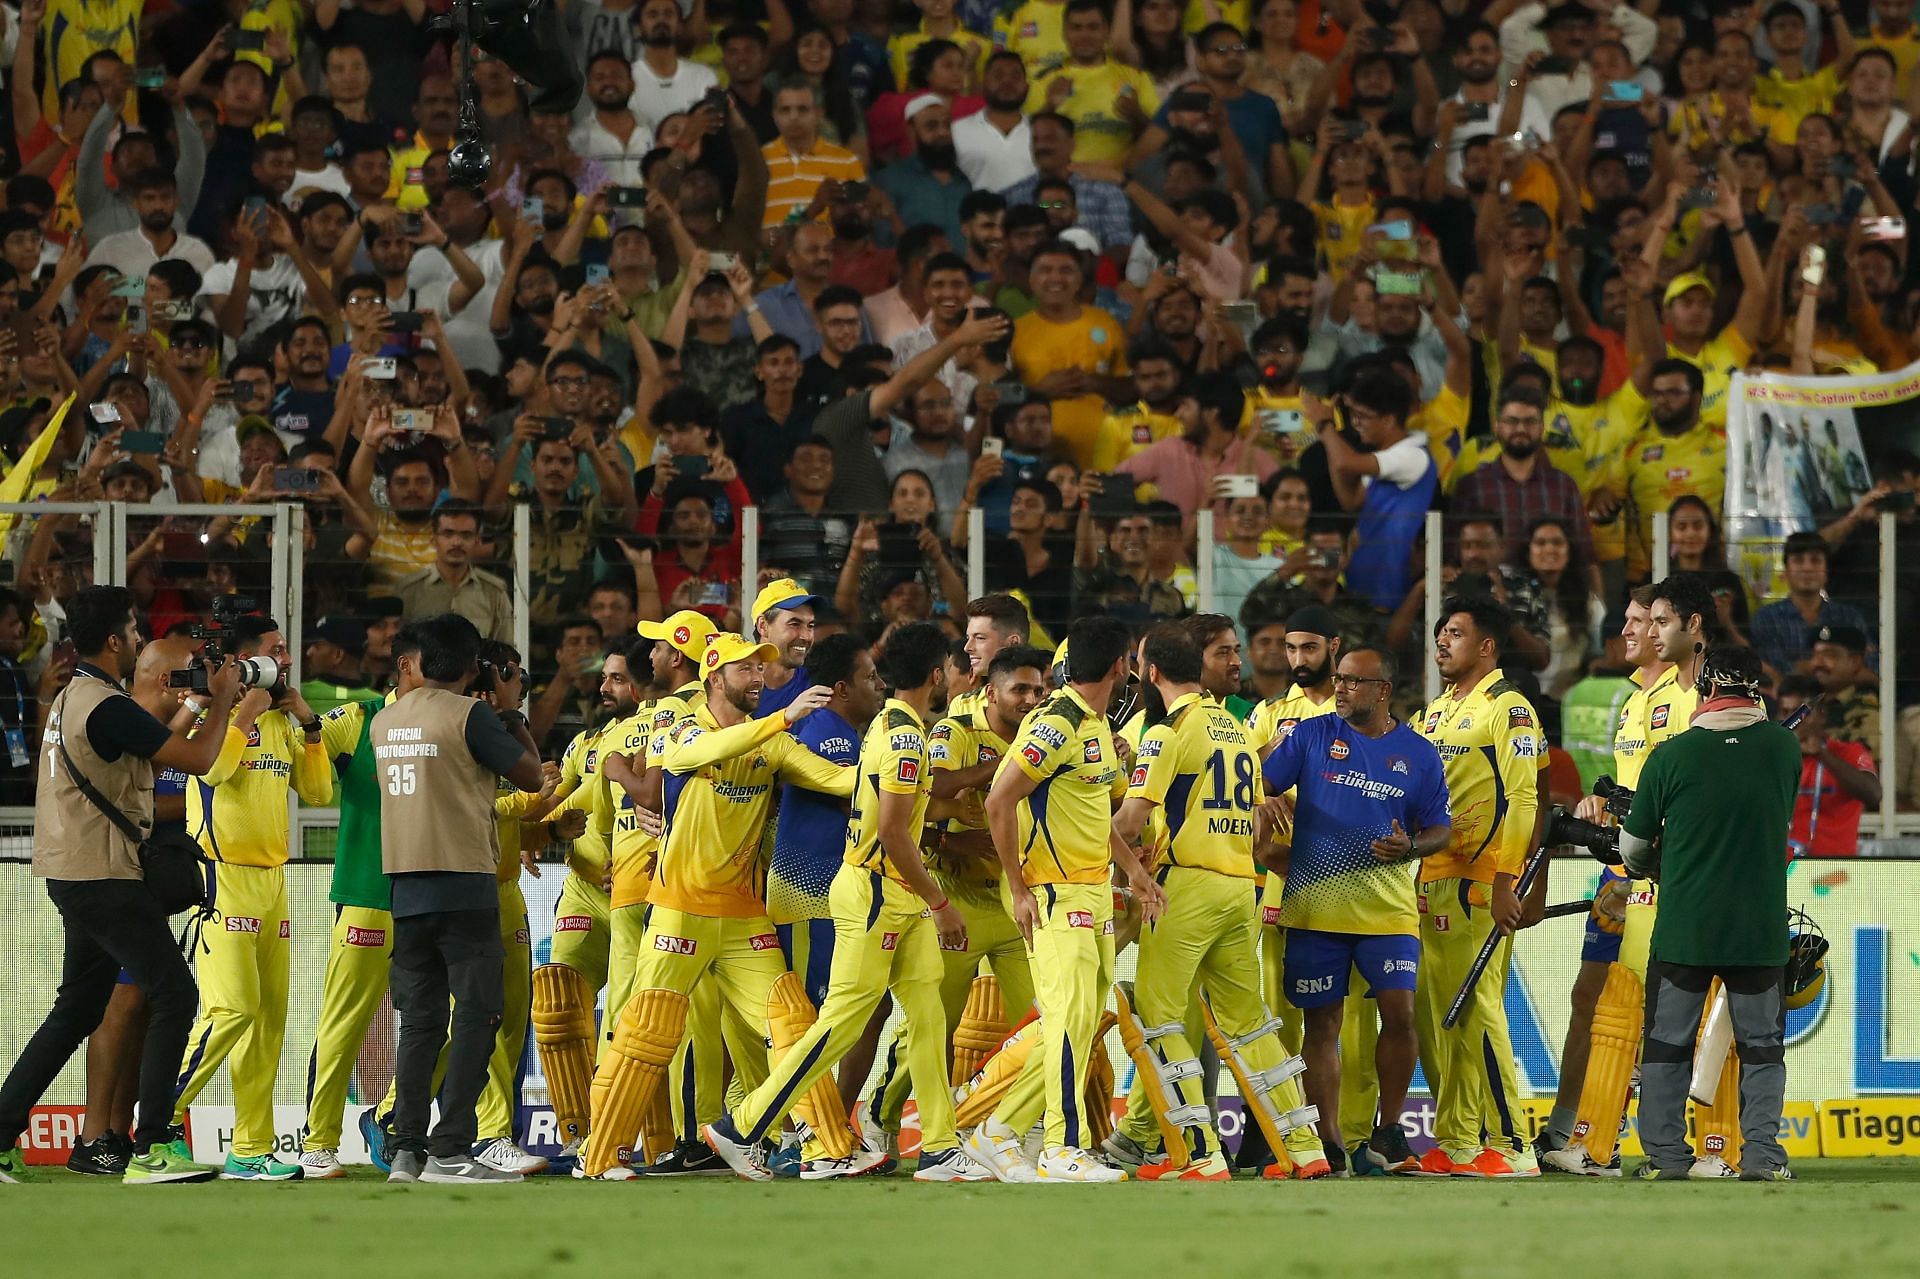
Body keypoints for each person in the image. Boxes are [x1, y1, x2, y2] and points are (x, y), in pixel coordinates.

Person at [707, 622, 995, 1183]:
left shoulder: (890, 726)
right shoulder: (906, 738)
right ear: (936, 675)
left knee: (929, 1016)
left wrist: (958, 809)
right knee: (840, 1022)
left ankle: (938, 1145)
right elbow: (891, 830)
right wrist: (941, 902)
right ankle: (743, 1125)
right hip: (878, 892)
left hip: (896, 895)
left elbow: (907, 810)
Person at [572, 634, 854, 1181]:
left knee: (793, 1022)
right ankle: (600, 1153)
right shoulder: (684, 723)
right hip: (679, 909)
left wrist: (898, 774)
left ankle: (830, 1147)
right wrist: (778, 722)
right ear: (713, 678)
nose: (756, 677)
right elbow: (688, 756)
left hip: (744, 914)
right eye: (744, 668)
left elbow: (832, 777)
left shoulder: (770, 736)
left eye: (759, 668)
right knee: (646, 1032)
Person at [0, 588, 242, 1186]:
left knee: (78, 1008)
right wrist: (227, 704)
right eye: (134, 631)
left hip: (73, 870)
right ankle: (154, 1144)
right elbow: (201, 760)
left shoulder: (70, 698)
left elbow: (145, 747)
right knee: (175, 994)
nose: (138, 640)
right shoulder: (105, 705)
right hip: (103, 875)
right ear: (113, 640)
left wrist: (200, 701)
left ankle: (2, 1132)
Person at [1113, 623, 1330, 1182]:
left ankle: (1199, 1151)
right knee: (1250, 1023)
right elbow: (1259, 821)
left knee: (1159, 1019)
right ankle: (1305, 1148)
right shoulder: (1233, 727)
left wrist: (1098, 847)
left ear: (1151, 671)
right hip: (1242, 888)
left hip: (1187, 888)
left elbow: (1132, 820)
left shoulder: (1167, 731)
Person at [963, 616, 1166, 1184]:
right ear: (1122, 665)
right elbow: (999, 801)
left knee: (1077, 1023)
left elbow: (1093, 814)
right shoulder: (1054, 723)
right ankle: (1060, 1148)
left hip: (1094, 890)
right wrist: (1021, 889)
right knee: (1070, 1019)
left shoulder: (1097, 725)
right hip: (1053, 895)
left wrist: (1135, 873)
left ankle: (998, 1132)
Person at [1263, 643, 1450, 1177]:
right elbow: (1261, 781)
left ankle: (1388, 1134)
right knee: (1320, 1027)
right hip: (1315, 911)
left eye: (1353, 681)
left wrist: (1411, 847)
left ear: (1383, 690)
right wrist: (1262, 794)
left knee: (1401, 1016)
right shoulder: (1313, 734)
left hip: (1387, 912)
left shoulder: (1419, 753)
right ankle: (1328, 1143)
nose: (1341, 687)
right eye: (1339, 678)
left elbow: (1441, 828)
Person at [373, 613, 544, 1184]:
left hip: (404, 885)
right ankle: (451, 1149)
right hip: (464, 882)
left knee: (420, 1025)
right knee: (478, 1014)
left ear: (421, 659)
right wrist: (513, 718)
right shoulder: (471, 715)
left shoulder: (386, 720)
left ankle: (406, 1152)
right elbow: (530, 777)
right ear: (475, 666)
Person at [1618, 644, 1800, 1182]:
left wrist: (1661, 863)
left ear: (1706, 690)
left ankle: (1668, 1158)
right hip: (1758, 928)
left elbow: (1631, 850)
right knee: (1762, 1047)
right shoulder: (1784, 749)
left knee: (1667, 1044)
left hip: (1685, 929)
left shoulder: (1671, 756)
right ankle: (1763, 1157)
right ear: (1756, 688)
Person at [170, 615, 334, 1182]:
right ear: (244, 662)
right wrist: (239, 716)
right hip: (223, 880)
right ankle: (155, 1120)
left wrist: (308, 725)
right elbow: (211, 770)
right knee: (230, 1010)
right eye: (275, 651)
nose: (285, 660)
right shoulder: (211, 720)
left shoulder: (284, 723)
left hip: (274, 884)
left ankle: (251, 1148)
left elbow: (316, 793)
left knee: (267, 1022)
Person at [1412, 594, 1545, 1178]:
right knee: (1450, 1016)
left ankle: (1513, 1145)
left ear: (1487, 646)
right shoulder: (1433, 713)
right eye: (1441, 631)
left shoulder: (1509, 708)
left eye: (1456, 633)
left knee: (1480, 1009)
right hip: (1431, 881)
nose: (1443, 640)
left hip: (1479, 882)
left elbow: (1525, 798)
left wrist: (1508, 878)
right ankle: (1461, 1141)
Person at [297, 623, 420, 1180]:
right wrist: (304, 724)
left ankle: (389, 1115)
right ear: (405, 668)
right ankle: (317, 1141)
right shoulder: (359, 719)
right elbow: (313, 785)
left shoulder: (452, 724)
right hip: (367, 895)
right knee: (344, 1022)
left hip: (430, 895)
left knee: (445, 1017)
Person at [1776, 674, 1880, 858]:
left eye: (1800, 714)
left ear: (1822, 714)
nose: (1794, 722)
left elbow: (1873, 794)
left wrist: (1821, 754)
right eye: (1786, 713)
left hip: (1835, 870)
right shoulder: (1773, 757)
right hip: (1784, 867)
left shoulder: (1849, 752)